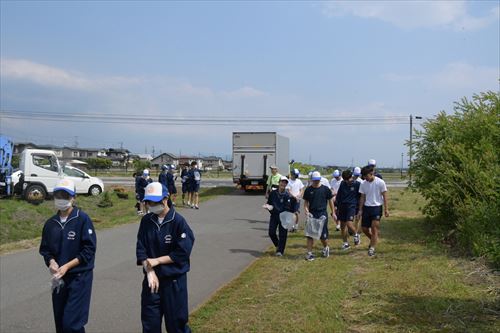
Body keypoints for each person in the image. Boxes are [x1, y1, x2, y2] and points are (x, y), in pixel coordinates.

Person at [39, 178, 97, 333]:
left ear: (74, 197)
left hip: (79, 278)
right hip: (59, 280)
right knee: (60, 323)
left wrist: (67, 266)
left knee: (72, 324)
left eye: (65, 195)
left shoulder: (82, 219)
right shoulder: (51, 223)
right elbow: (46, 249)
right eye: (58, 195)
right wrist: (51, 262)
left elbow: (89, 249)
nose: (61, 199)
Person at [136, 182, 195, 333]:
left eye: (155, 202)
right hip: (151, 282)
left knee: (177, 325)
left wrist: (157, 261)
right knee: (150, 324)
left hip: (173, 282)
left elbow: (182, 252)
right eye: (149, 202)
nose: (151, 205)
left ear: (165, 198)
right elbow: (141, 249)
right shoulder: (146, 221)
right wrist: (149, 271)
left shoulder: (178, 222)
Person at [303, 171, 335, 261]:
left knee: (322, 235)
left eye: (317, 180)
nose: (316, 182)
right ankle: (309, 254)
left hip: (322, 214)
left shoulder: (325, 189)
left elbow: (330, 201)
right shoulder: (308, 190)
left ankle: (326, 247)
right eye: (314, 180)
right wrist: (306, 211)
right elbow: (305, 203)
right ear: (312, 180)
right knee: (310, 234)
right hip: (312, 214)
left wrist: (333, 212)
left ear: (320, 179)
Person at [358, 165, 389, 257]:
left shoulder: (380, 182)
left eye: (366, 176)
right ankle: (373, 240)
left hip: (377, 207)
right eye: (363, 176)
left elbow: (385, 196)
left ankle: (372, 248)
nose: (365, 178)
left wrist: (386, 209)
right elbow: (362, 197)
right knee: (364, 229)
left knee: (374, 228)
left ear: (371, 174)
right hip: (367, 207)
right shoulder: (363, 184)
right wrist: (360, 210)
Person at [265, 176, 297, 256]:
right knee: (271, 232)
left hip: (284, 217)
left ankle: (280, 251)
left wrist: (292, 215)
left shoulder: (288, 195)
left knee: (283, 234)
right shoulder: (273, 193)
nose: (283, 184)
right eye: (282, 182)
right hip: (274, 215)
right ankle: (278, 245)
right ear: (279, 182)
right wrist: (268, 207)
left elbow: (292, 208)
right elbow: (269, 203)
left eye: (285, 182)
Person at [335, 170, 361, 250]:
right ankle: (345, 243)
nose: (347, 181)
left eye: (348, 179)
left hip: (351, 206)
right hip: (342, 206)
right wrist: (336, 206)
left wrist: (359, 209)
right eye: (345, 180)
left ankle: (356, 234)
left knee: (349, 223)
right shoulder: (342, 183)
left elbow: (361, 197)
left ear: (351, 177)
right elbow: (339, 195)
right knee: (343, 226)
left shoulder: (357, 184)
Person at [352, 167, 363, 236]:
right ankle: (352, 230)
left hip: (358, 201)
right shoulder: (350, 180)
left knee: (357, 218)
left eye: (358, 174)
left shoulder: (361, 182)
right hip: (351, 201)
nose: (357, 176)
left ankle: (355, 231)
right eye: (355, 174)